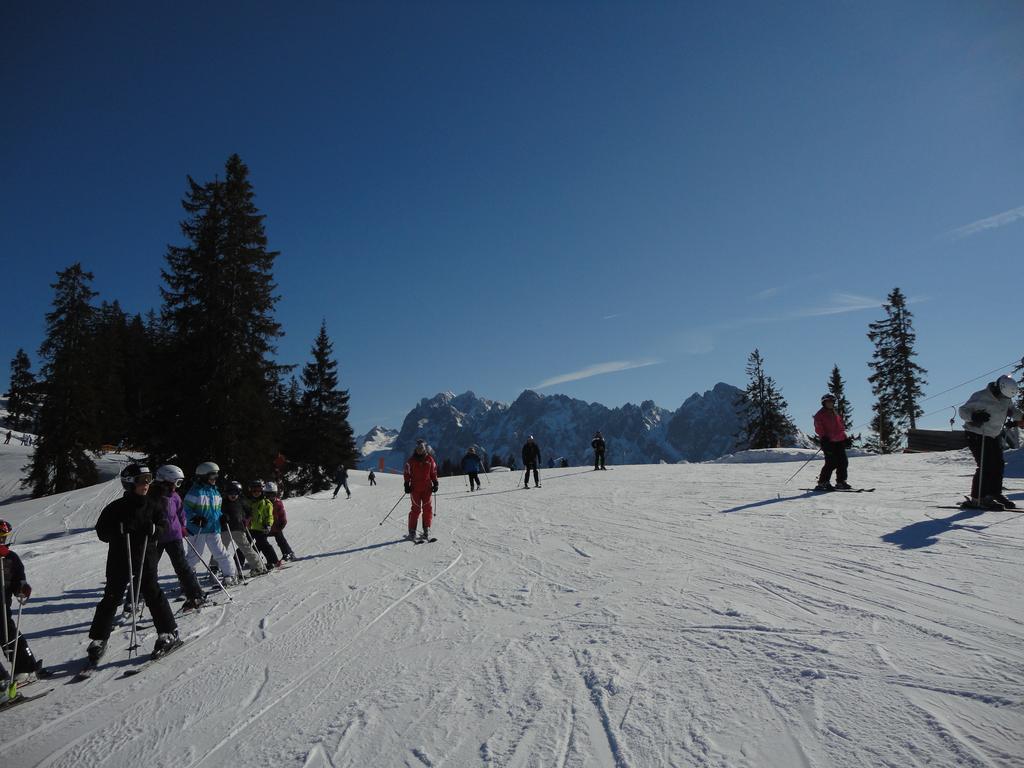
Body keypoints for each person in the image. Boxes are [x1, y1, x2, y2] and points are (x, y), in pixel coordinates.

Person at [85, 465, 179, 664]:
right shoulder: (115, 507)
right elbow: (102, 531)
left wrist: (153, 528)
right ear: (129, 482)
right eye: (141, 480)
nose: (146, 484)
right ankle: (99, 638)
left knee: (152, 592)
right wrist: (119, 529)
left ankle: (168, 632)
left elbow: (164, 527)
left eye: (149, 479)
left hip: (146, 555)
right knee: (111, 596)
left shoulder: (154, 505)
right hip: (120, 557)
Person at [959, 374, 1023, 510]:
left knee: (998, 464)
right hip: (977, 433)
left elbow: (1011, 410)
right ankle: (978, 498)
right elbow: (962, 411)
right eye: (1002, 395)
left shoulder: (1006, 398)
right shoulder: (981, 396)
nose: (1004, 399)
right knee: (985, 464)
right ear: (998, 388)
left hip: (993, 435)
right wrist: (974, 416)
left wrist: (1020, 417)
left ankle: (994, 493)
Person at [150, 465, 207, 611]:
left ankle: (195, 594)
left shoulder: (174, 496)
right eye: (177, 482)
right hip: (155, 537)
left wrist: (183, 526)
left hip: (174, 536)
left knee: (182, 567)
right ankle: (135, 599)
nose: (177, 487)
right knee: (148, 567)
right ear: (165, 480)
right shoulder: (151, 496)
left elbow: (181, 513)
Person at [0, 520, 49, 682]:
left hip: (2, 608)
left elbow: (18, 581)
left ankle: (24, 668)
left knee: (8, 635)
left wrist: (22, 589)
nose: (2, 541)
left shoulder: (10, 558)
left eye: (4, 537)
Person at [183, 462, 238, 586]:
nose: (215, 479)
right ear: (203, 476)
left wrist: (222, 517)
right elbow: (185, 510)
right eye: (212, 476)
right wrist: (194, 518)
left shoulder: (215, 492)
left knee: (221, 553)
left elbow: (216, 511)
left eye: (216, 476)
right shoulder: (195, 492)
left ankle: (230, 575)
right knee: (194, 556)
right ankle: (187, 580)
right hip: (198, 529)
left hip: (214, 528)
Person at [221, 480, 268, 576]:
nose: (233, 495)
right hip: (225, 529)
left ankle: (258, 567)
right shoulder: (223, 502)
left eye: (235, 493)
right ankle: (215, 568)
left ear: (239, 493)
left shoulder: (242, 501)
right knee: (220, 549)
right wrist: (222, 517)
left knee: (246, 548)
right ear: (227, 493)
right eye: (230, 493)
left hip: (239, 528)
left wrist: (246, 520)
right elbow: (218, 512)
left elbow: (249, 513)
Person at [814, 395, 852, 491]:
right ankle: (823, 482)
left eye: (832, 401)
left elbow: (840, 428)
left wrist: (845, 438)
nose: (830, 403)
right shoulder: (820, 414)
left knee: (843, 462)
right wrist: (824, 438)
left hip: (839, 441)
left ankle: (841, 482)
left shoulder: (835, 413)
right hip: (828, 442)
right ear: (824, 403)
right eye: (828, 402)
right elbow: (818, 427)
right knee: (831, 462)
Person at [404, 439, 438, 540]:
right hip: (415, 488)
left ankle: (426, 529)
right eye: (418, 449)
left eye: (422, 448)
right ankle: (412, 531)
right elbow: (407, 473)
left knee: (427, 508)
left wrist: (435, 482)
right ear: (416, 449)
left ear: (424, 449)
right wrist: (406, 484)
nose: (420, 450)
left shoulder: (429, 459)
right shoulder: (411, 461)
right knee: (416, 509)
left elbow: (434, 472)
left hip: (427, 488)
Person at [243, 480, 282, 568]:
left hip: (261, 528)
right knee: (245, 545)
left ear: (262, 491)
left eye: (258, 491)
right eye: (254, 491)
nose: (256, 493)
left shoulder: (266, 503)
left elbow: (270, 516)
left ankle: (273, 561)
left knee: (264, 544)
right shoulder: (248, 502)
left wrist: (268, 524)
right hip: (249, 528)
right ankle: (238, 563)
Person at [266, 482, 296, 561]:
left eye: (273, 495)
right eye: (268, 495)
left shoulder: (278, 503)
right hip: (265, 527)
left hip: (276, 526)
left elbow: (282, 514)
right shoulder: (263, 503)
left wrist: (282, 523)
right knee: (260, 542)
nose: (270, 497)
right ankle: (255, 557)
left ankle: (288, 553)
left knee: (280, 539)